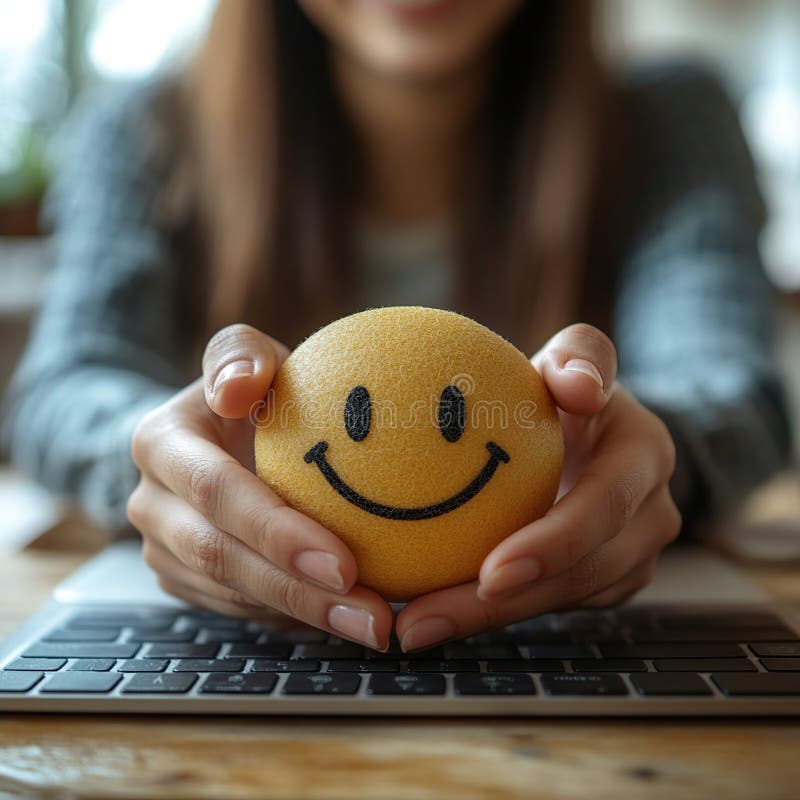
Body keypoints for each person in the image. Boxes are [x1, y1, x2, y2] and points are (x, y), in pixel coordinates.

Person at [2, 1, 792, 653]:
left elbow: (731, 389)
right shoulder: (143, 128)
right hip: (237, 632)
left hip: (583, 630)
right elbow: (66, 386)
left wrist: (628, 458)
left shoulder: (667, 121)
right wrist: (182, 464)